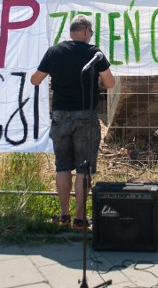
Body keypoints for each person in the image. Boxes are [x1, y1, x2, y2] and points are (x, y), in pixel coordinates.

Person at [30, 15, 115, 231]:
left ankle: (63, 215)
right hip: (86, 115)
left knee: (62, 167)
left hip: (60, 116)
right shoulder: (94, 53)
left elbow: (35, 79)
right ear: (86, 30)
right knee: (83, 168)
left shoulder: (54, 51)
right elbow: (110, 83)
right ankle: (80, 218)